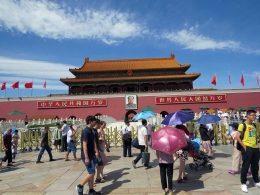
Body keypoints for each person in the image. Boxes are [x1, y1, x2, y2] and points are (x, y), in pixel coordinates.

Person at [236, 110, 260, 193]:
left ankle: (256, 181)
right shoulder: (242, 125)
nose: (254, 117)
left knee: (255, 166)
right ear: (248, 116)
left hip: (255, 148)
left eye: (255, 115)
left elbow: (255, 137)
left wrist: (257, 145)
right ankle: (243, 183)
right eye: (252, 115)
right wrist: (244, 147)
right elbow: (237, 137)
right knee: (245, 166)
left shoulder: (254, 125)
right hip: (247, 147)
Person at [76, 115, 101, 195]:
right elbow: (84, 144)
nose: (95, 123)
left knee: (91, 173)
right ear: (90, 122)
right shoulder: (86, 131)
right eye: (94, 121)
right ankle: (80, 186)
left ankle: (91, 190)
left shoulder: (91, 130)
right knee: (91, 173)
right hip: (87, 155)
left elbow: (93, 142)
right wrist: (86, 157)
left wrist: (96, 152)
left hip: (92, 154)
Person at [92, 119, 105, 183]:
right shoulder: (93, 131)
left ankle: (98, 178)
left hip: (98, 150)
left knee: (100, 164)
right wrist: (97, 151)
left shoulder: (95, 131)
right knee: (92, 168)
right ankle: (90, 183)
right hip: (95, 151)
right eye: (100, 124)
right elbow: (94, 142)